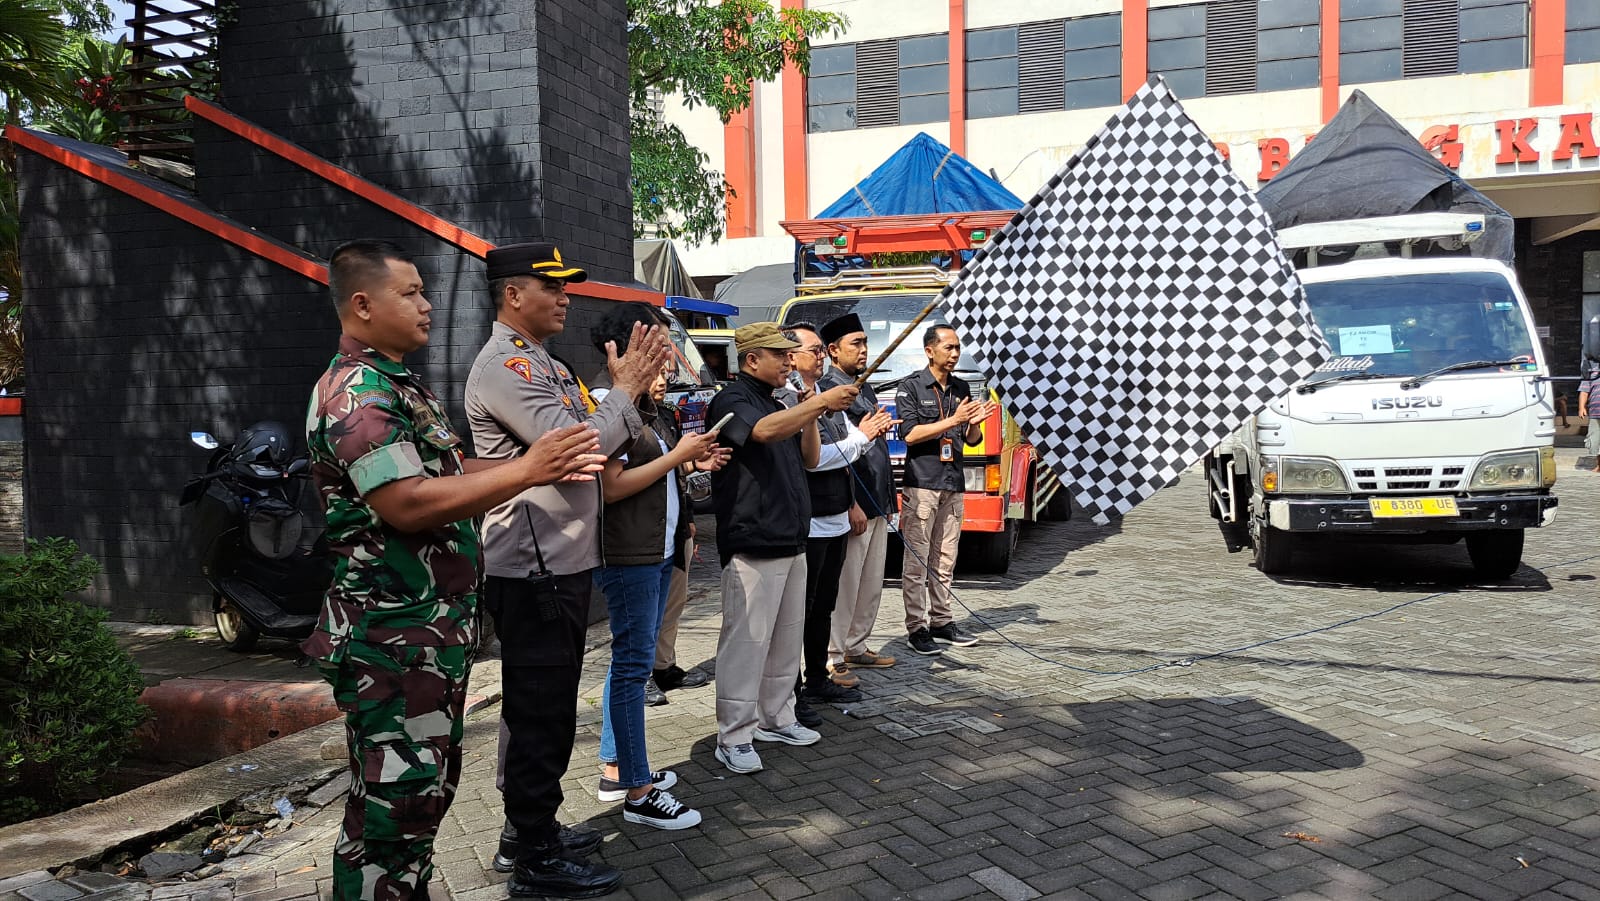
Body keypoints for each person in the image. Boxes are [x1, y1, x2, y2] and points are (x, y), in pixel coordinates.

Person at [303, 240, 605, 901]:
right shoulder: (357, 394)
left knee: (417, 802)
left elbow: (446, 471)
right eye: (408, 292)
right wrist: (529, 468)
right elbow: (404, 503)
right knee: (393, 814)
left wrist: (535, 466)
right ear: (362, 303)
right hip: (390, 637)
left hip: (425, 636)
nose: (426, 304)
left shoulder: (396, 383)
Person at [464, 242, 670, 898]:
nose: (566, 296)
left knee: (545, 711)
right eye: (550, 286)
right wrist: (628, 390)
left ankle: (533, 830)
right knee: (539, 713)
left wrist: (619, 398)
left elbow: (598, 432)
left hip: (561, 560)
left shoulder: (546, 364)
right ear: (512, 295)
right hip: (534, 565)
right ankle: (533, 857)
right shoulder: (507, 367)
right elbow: (584, 448)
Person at [588, 306, 727, 830]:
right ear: (626, 349)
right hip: (629, 554)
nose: (667, 357)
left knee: (630, 663)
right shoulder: (606, 404)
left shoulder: (638, 406)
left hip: (653, 548)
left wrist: (691, 460)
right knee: (631, 667)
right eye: (659, 345)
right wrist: (679, 457)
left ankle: (616, 767)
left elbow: (644, 471)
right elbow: (611, 486)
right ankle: (638, 789)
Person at [706, 322, 858, 774]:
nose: (789, 362)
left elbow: (810, 458)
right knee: (746, 644)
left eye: (791, 354)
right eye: (780, 354)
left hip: (792, 537)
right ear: (752, 359)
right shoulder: (732, 400)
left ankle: (776, 716)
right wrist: (816, 402)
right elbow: (763, 433)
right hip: (754, 541)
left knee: (785, 640)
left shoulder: (781, 402)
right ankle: (733, 734)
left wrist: (810, 411)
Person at [780, 324, 893, 725]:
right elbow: (820, 457)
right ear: (791, 356)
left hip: (833, 518)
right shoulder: (792, 402)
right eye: (814, 351)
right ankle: (789, 692)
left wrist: (850, 500)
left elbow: (843, 459)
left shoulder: (826, 401)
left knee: (822, 608)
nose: (821, 358)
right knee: (802, 610)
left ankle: (816, 679)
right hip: (807, 521)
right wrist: (864, 436)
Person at [895, 325, 996, 657]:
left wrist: (974, 422)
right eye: (949, 348)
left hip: (953, 483)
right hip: (922, 483)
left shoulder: (961, 387)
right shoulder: (911, 386)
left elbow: (971, 441)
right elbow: (910, 435)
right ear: (930, 351)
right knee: (917, 560)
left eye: (958, 348)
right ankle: (917, 627)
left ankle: (942, 622)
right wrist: (954, 419)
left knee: (945, 559)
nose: (954, 354)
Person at [818, 313, 899, 677]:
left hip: (878, 500)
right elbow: (837, 451)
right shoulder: (829, 392)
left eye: (866, 343)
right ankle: (833, 654)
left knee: (870, 582)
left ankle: (857, 645)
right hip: (855, 503)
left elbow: (877, 447)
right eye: (856, 343)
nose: (864, 350)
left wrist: (891, 498)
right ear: (833, 351)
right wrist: (851, 503)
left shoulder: (863, 387)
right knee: (846, 584)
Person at [1580, 358, 1600, 472]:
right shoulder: (1590, 371)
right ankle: (1599, 465)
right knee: (1595, 439)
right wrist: (1581, 407)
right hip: (1595, 412)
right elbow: (1584, 391)